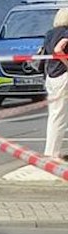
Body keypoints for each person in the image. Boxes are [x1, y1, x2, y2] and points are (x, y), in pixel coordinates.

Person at [44, 8, 68, 158]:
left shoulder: (49, 34)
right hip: (63, 75)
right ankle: (52, 153)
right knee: (59, 116)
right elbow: (59, 49)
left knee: (55, 114)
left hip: (51, 76)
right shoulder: (66, 32)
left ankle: (51, 151)